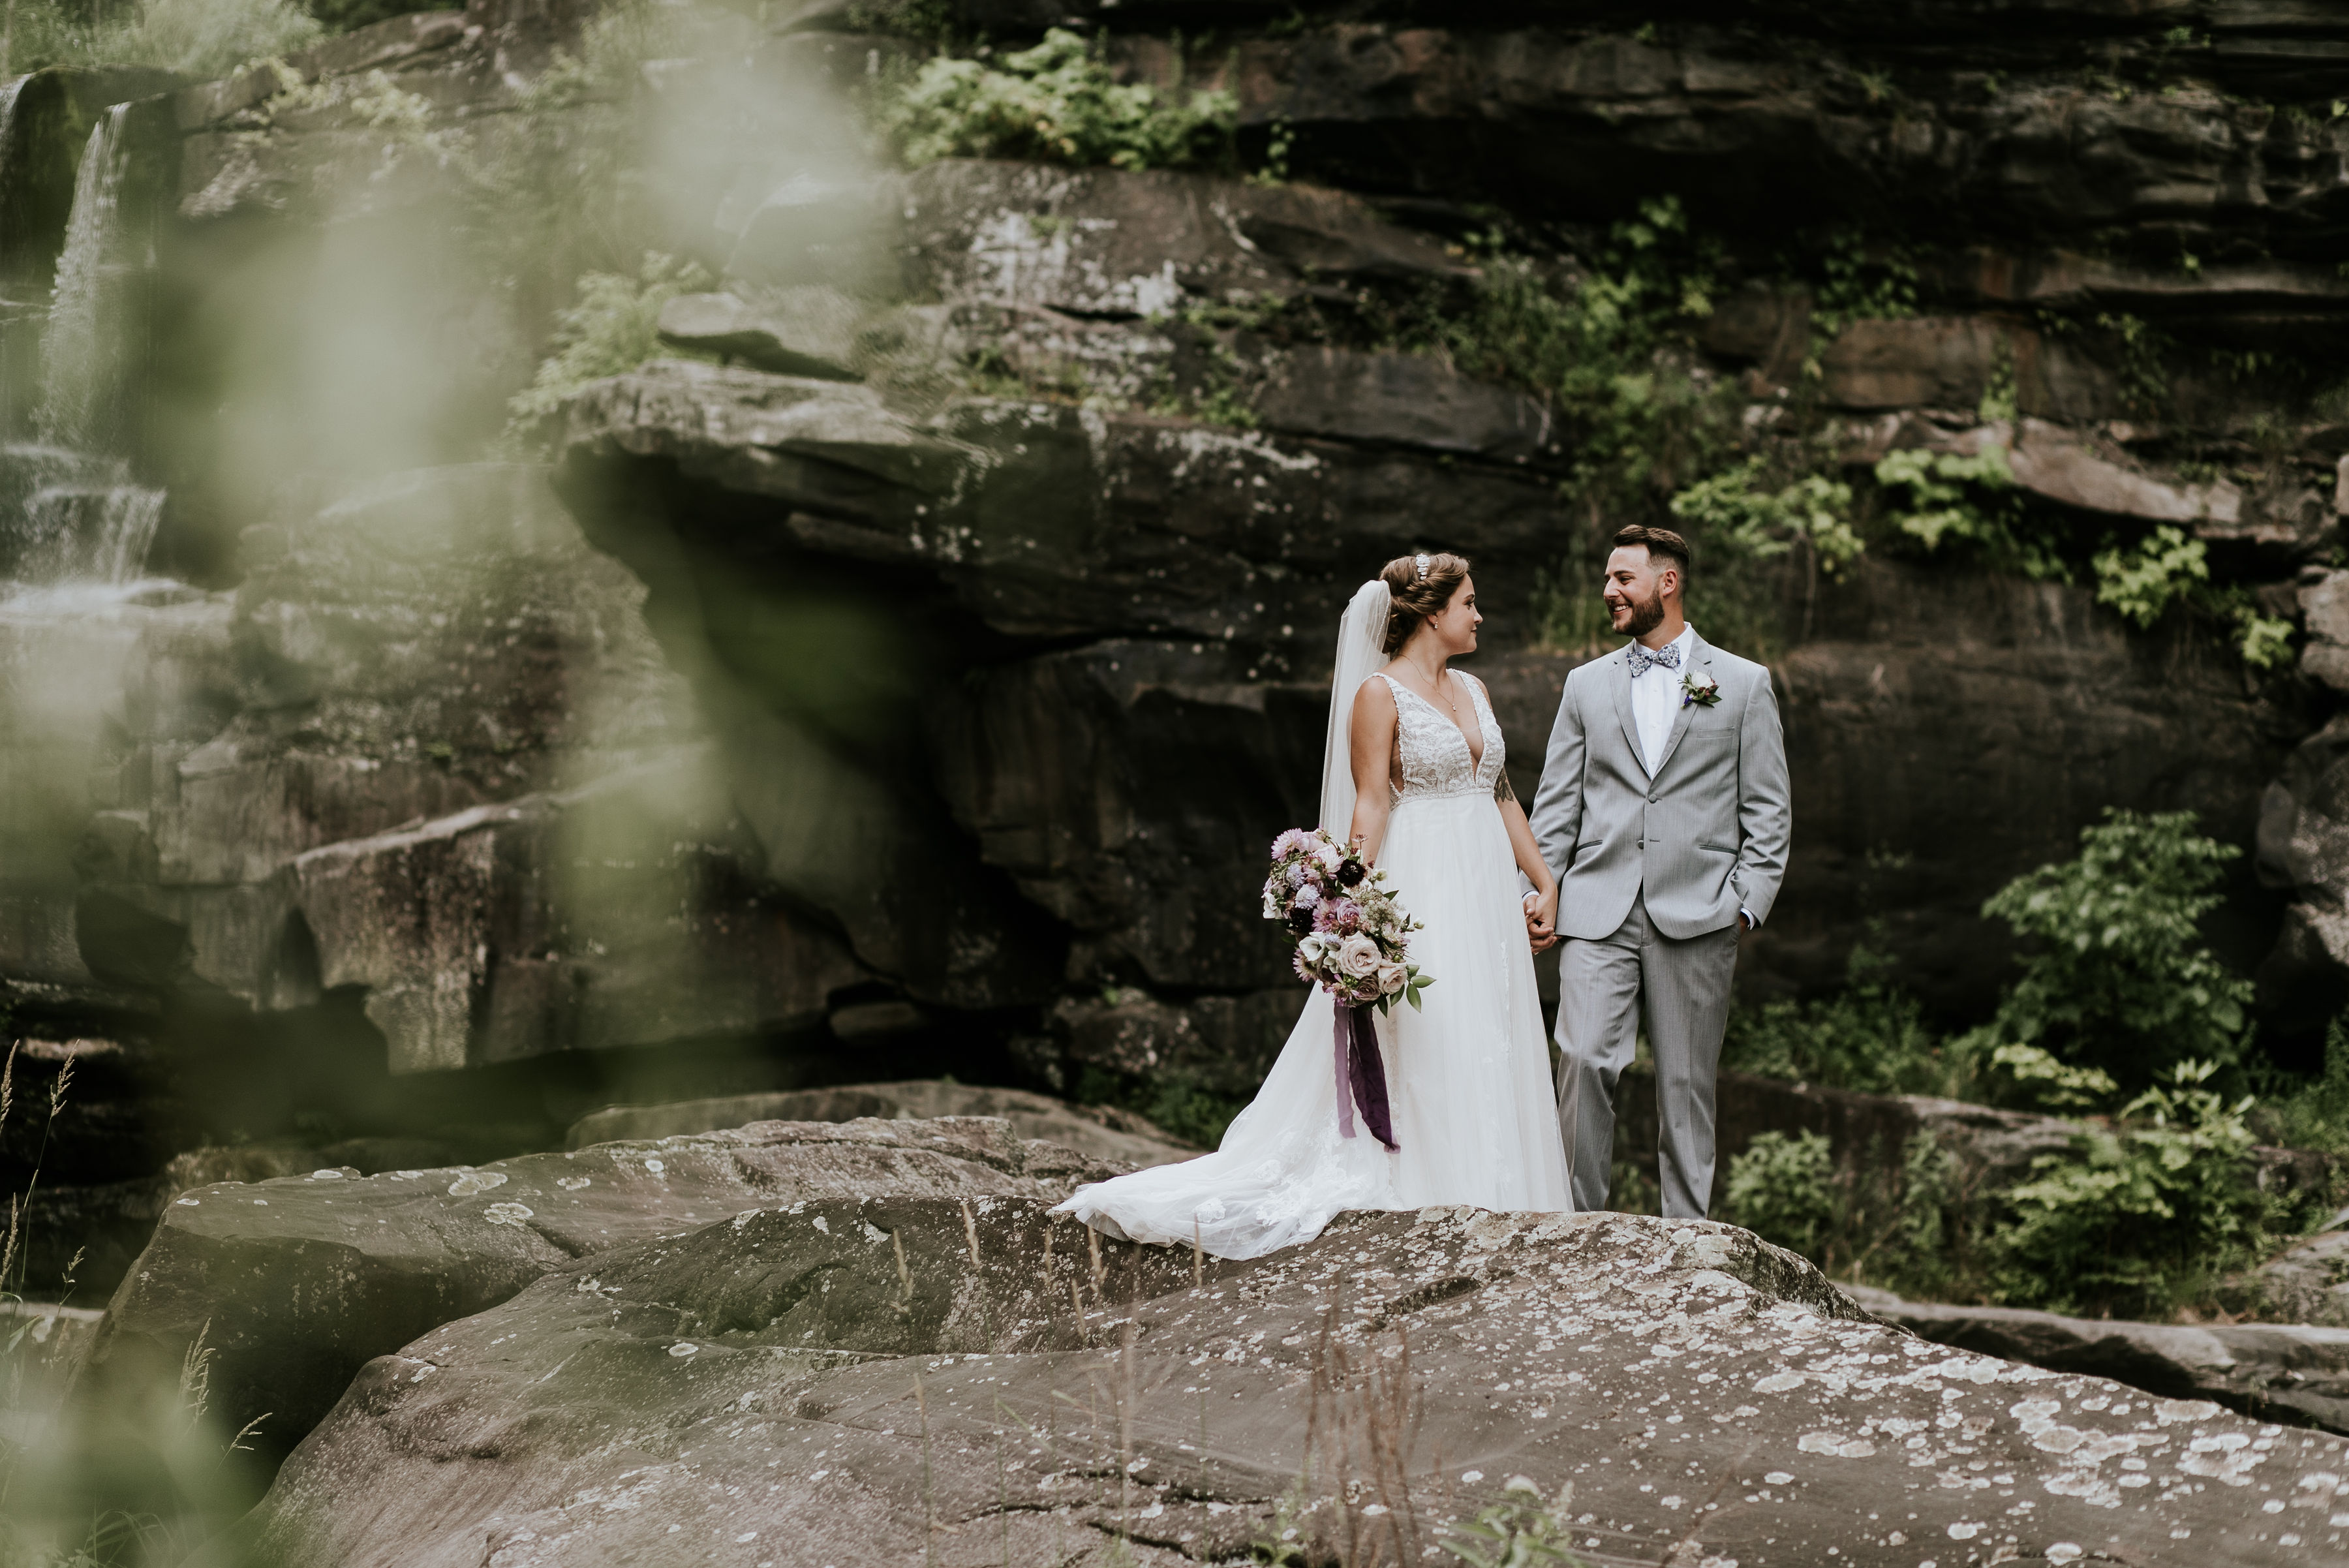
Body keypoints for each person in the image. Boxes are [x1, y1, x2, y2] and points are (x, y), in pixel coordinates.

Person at [1054, 552, 1573, 1259]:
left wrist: (1542, 880)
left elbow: (1502, 790)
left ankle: (1509, 1196)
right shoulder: (1379, 696)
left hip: (1486, 885)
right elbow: (1371, 802)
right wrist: (1352, 903)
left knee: (1497, 1025)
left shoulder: (1475, 687)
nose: (1479, 616)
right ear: (1429, 614)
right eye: (1469, 604)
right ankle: (1442, 1187)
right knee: (1440, 1027)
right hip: (1426, 883)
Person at [1524, 525, 1791, 1220]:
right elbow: (1555, 806)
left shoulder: (1743, 683)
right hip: (1595, 909)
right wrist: (1540, 892)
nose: (1609, 591)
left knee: (1686, 1084)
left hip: (1701, 913)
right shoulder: (1585, 686)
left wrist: (1745, 903)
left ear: (1666, 584)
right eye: (1610, 579)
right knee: (1581, 1060)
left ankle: (1689, 1242)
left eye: (1623, 579)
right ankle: (1573, 1227)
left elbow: (1768, 809)